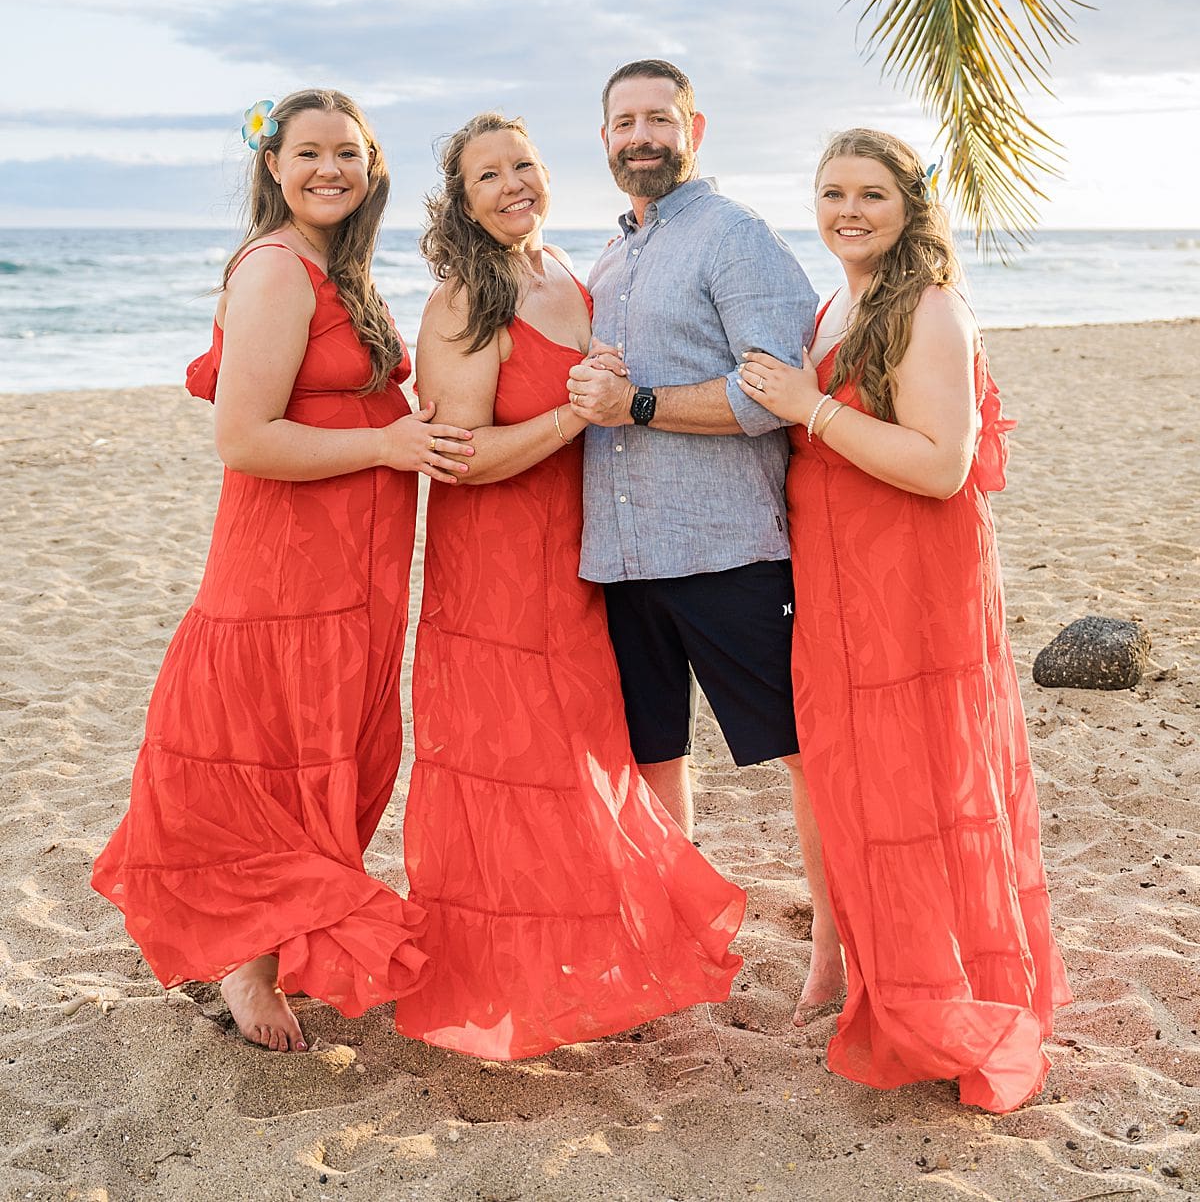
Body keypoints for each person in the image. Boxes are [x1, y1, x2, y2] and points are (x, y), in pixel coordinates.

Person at [92, 89, 474, 1053]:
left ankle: (273, 941)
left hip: (352, 575)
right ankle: (247, 965)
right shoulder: (276, 271)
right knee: (270, 752)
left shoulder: (339, 269)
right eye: (308, 153)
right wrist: (389, 450)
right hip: (285, 572)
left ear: (372, 167)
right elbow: (245, 437)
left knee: (328, 751)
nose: (328, 169)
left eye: (347, 152)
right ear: (274, 166)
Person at [393, 112, 745, 1060]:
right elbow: (457, 459)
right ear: (460, 203)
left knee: (583, 751)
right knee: (504, 759)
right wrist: (575, 415)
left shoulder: (567, 277)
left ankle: (595, 952)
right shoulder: (468, 298)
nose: (513, 186)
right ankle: (497, 976)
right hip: (496, 569)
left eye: (525, 167)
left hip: (583, 560)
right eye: (487, 177)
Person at [737, 127, 1071, 1112]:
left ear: (911, 205)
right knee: (864, 780)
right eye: (832, 189)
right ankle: (890, 972)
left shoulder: (929, 307)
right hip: (841, 578)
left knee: (921, 778)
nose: (848, 209)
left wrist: (811, 406)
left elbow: (941, 463)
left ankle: (945, 993)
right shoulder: (837, 298)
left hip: (913, 579)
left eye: (871, 193)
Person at [565, 59, 844, 1015]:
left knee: (806, 757)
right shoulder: (607, 260)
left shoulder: (735, 237)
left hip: (726, 548)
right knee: (653, 761)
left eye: (658, 118)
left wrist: (637, 404)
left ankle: (834, 958)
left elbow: (771, 393)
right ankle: (672, 949)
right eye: (622, 122)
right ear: (602, 138)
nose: (640, 135)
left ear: (695, 126)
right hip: (625, 559)